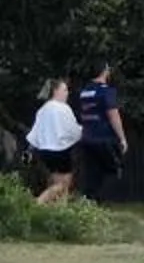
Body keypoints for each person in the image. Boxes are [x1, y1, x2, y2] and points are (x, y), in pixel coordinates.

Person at [72, 64, 126, 202]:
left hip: (87, 138)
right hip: (104, 138)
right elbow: (113, 114)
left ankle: (89, 202)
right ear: (104, 72)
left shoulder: (84, 92)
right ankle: (100, 201)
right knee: (114, 169)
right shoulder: (106, 91)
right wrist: (122, 138)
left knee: (92, 173)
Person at [26, 80, 80, 205]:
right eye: (65, 90)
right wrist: (81, 132)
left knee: (56, 183)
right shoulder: (63, 108)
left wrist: (29, 150)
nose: (67, 93)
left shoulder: (43, 109)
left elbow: (35, 133)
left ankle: (58, 212)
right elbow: (72, 130)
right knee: (63, 184)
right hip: (61, 151)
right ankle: (37, 203)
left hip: (45, 152)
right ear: (56, 91)